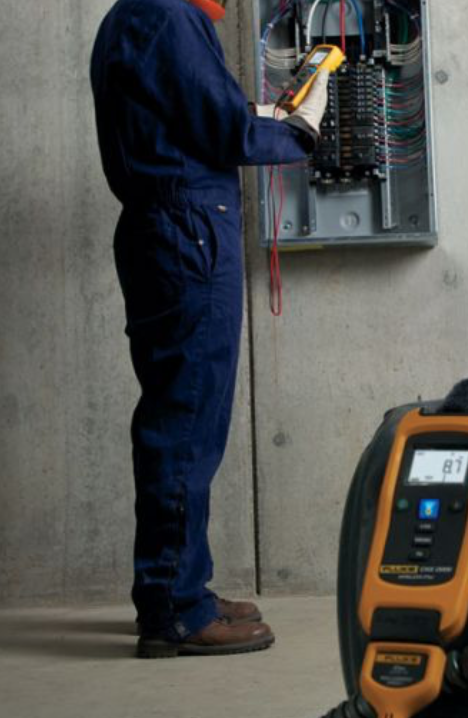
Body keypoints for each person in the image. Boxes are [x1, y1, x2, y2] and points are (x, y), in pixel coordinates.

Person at [90, 0, 328, 657]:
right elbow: (226, 132)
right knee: (187, 420)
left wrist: (260, 116)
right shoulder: (168, 14)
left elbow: (183, 116)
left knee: (178, 413)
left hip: (167, 224)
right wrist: (300, 129)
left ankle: (178, 586)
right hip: (189, 227)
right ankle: (176, 611)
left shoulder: (132, 15)